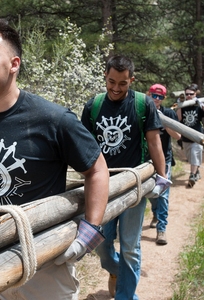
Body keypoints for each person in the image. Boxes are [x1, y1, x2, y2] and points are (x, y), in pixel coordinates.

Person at [0, 15, 110, 300]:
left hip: (43, 261)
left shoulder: (53, 119)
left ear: (14, 64)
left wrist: (90, 233)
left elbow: (96, 170)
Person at [81, 55, 170, 299]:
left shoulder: (143, 104)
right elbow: (85, 146)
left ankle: (126, 295)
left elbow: (154, 142)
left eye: (123, 83)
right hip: (103, 186)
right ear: (105, 77)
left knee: (130, 247)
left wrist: (162, 177)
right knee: (99, 243)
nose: (116, 89)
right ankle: (116, 271)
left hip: (134, 185)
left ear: (131, 80)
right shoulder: (94, 105)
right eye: (111, 82)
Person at [147, 84, 181, 245]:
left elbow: (178, 135)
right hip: (146, 161)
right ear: (149, 94)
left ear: (164, 98)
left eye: (160, 97)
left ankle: (161, 230)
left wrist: (165, 122)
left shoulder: (168, 113)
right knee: (150, 194)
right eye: (154, 95)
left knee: (163, 196)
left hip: (164, 159)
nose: (156, 99)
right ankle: (155, 212)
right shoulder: (144, 111)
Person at [176, 84, 204, 187]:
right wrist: (179, 105)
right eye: (186, 94)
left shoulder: (198, 105)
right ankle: (196, 172)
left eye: (191, 94)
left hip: (197, 136)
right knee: (190, 156)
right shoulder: (183, 105)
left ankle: (192, 176)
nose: (188, 96)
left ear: (195, 94)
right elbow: (178, 119)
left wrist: (201, 105)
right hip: (186, 137)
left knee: (195, 155)